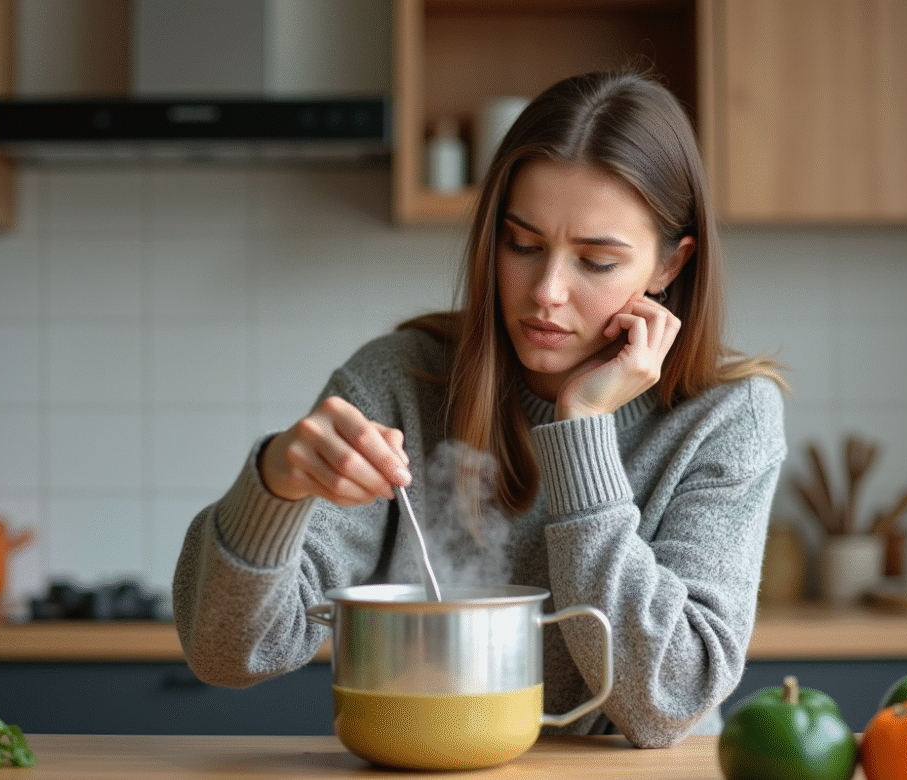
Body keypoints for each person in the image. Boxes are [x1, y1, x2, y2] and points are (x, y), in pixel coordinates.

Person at [172, 70, 787, 748]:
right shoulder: (398, 379)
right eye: (522, 245)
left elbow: (666, 702)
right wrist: (275, 487)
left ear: (671, 266)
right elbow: (228, 655)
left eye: (596, 261)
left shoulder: (729, 415)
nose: (547, 290)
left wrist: (580, 431)